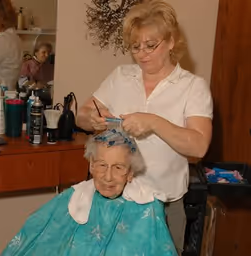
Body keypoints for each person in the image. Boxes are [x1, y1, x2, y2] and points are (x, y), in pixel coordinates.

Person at [76, 1, 213, 254]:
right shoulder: (120, 76)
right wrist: (91, 119)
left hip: (164, 203)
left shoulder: (193, 87)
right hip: (115, 197)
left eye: (151, 46)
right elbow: (81, 115)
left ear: (171, 41)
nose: (142, 54)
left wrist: (153, 122)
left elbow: (199, 144)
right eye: (135, 47)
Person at [0, 129, 177, 256]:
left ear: (130, 173)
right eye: (101, 165)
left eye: (118, 167)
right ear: (91, 166)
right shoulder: (73, 199)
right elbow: (32, 237)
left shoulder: (148, 207)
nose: (108, 177)